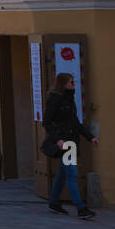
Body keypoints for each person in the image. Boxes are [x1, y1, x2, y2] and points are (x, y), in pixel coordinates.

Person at [44, 73, 97, 219]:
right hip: (64, 143)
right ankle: (81, 208)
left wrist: (91, 137)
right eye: (71, 82)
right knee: (72, 174)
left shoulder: (69, 99)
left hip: (71, 142)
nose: (74, 84)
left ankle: (54, 203)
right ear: (63, 84)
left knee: (62, 174)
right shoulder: (55, 99)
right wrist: (57, 139)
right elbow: (47, 122)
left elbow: (75, 123)